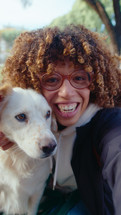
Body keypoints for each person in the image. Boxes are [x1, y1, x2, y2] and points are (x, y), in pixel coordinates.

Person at [1, 25, 121, 215]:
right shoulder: (33, 111)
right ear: (33, 83)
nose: (66, 93)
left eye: (80, 77)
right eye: (51, 80)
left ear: (96, 81)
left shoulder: (109, 126)